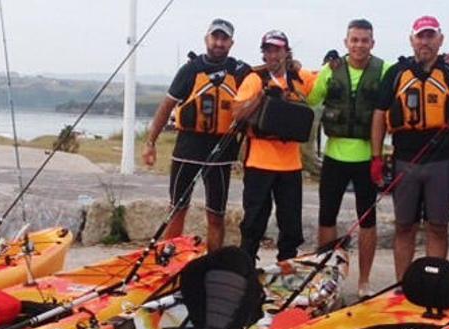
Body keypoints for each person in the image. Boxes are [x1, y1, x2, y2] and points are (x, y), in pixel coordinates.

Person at [371, 16, 449, 281]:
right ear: (412, 40)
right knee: (405, 226)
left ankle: (432, 283)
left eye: (430, 36)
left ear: (440, 40)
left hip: (443, 161)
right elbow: (379, 114)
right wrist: (376, 158)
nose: (425, 41)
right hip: (405, 161)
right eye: (420, 36)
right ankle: (403, 285)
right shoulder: (396, 74)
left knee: (437, 227)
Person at [142, 19, 250, 252]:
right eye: (215, 37)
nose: (219, 43)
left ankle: (212, 264)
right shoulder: (190, 70)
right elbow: (166, 106)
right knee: (177, 209)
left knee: (216, 215)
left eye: (224, 39)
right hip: (188, 150)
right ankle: (167, 261)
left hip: (221, 152)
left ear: (231, 43)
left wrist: (292, 64)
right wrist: (150, 142)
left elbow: (266, 79)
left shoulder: (240, 72)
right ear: (207, 39)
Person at [307, 19, 388, 297]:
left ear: (372, 43)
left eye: (365, 40)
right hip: (334, 156)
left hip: (367, 157)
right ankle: (326, 279)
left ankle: (364, 281)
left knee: (368, 221)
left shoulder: (384, 70)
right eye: (354, 40)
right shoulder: (332, 71)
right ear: (346, 42)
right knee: (326, 217)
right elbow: (310, 98)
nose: (359, 45)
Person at [232, 30, 317, 261]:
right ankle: (247, 264)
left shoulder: (300, 78)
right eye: (269, 50)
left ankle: (287, 265)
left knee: (291, 223)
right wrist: (260, 97)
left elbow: (322, 82)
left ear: (286, 52)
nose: (273, 55)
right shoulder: (254, 79)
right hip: (259, 162)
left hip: (290, 165)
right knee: (254, 220)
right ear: (263, 53)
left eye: (278, 49)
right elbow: (237, 112)